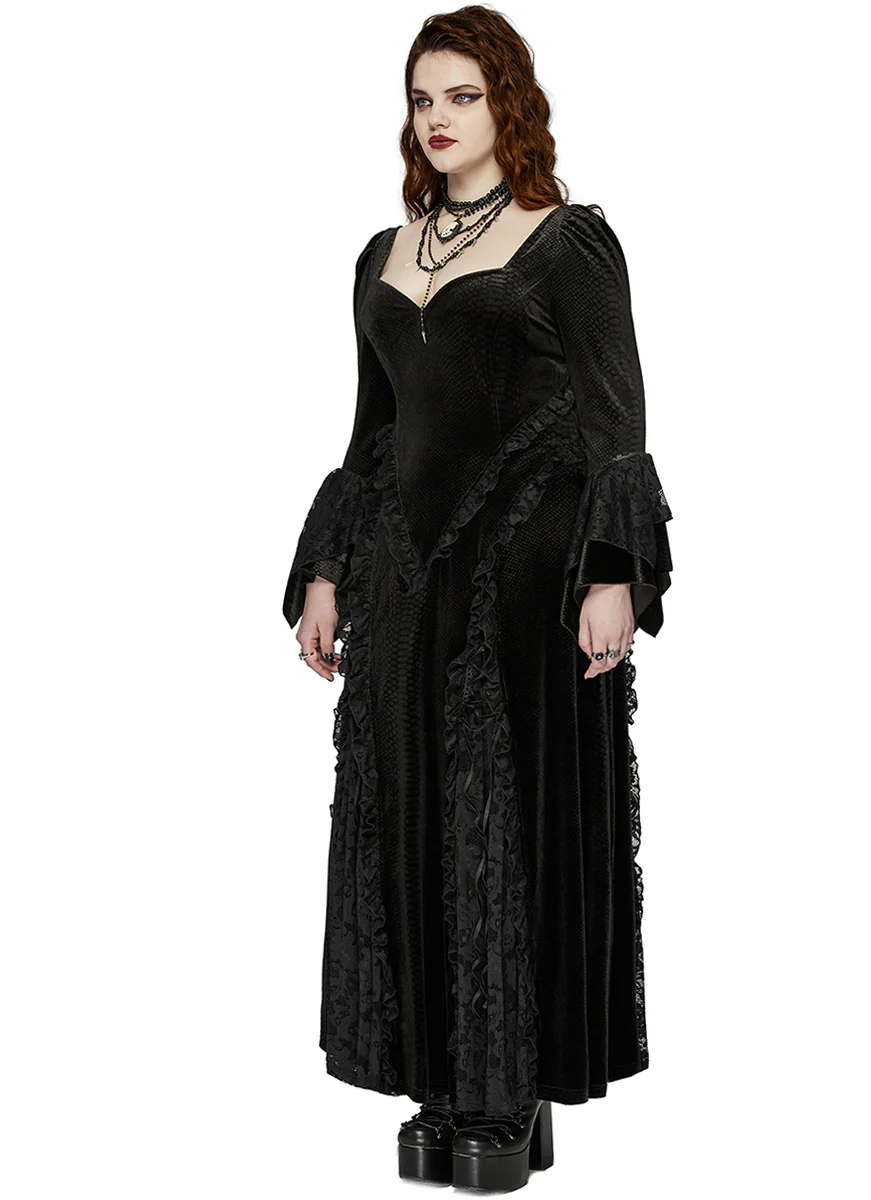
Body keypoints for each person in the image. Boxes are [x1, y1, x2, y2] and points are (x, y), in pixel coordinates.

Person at [281, 7, 674, 1191]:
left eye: (463, 94)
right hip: (406, 583)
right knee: (413, 820)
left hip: (526, 578)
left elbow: (615, 417)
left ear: (509, 103)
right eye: (422, 98)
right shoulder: (382, 253)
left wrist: (612, 571)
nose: (439, 118)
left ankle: (509, 1093)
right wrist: (328, 568)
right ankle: (441, 1083)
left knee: (502, 819)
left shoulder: (569, 243)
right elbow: (375, 430)